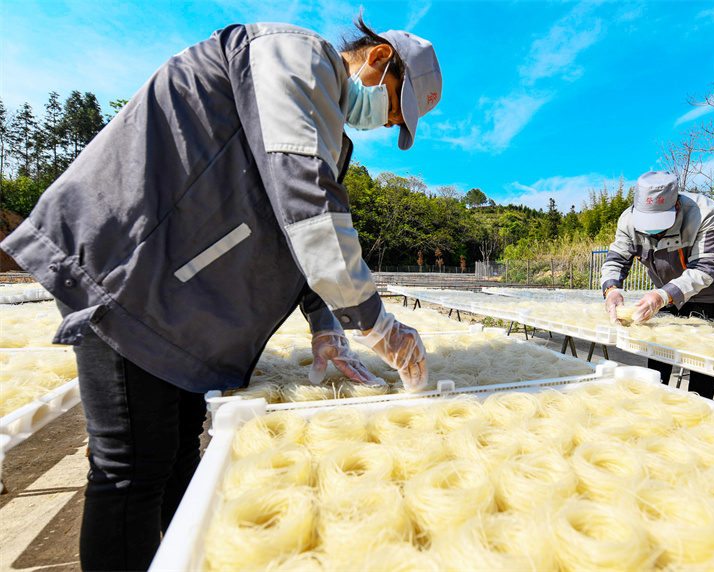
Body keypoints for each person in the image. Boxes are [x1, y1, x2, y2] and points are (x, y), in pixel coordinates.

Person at [1, 15, 442, 571]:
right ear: (379, 62)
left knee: (179, 450)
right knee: (130, 470)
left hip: (178, 298)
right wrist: (375, 323)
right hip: (130, 270)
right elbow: (304, 201)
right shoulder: (294, 57)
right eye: (395, 109)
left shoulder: (323, 115)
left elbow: (291, 226)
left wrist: (324, 323)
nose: (385, 123)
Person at [600, 171, 714, 400]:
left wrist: (664, 296)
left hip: (713, 285)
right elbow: (616, 260)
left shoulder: (703, 213)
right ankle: (655, 399)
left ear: (677, 204)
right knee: (658, 341)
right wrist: (612, 289)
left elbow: (705, 269)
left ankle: (699, 405)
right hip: (664, 283)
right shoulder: (628, 221)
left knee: (702, 346)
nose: (653, 231)